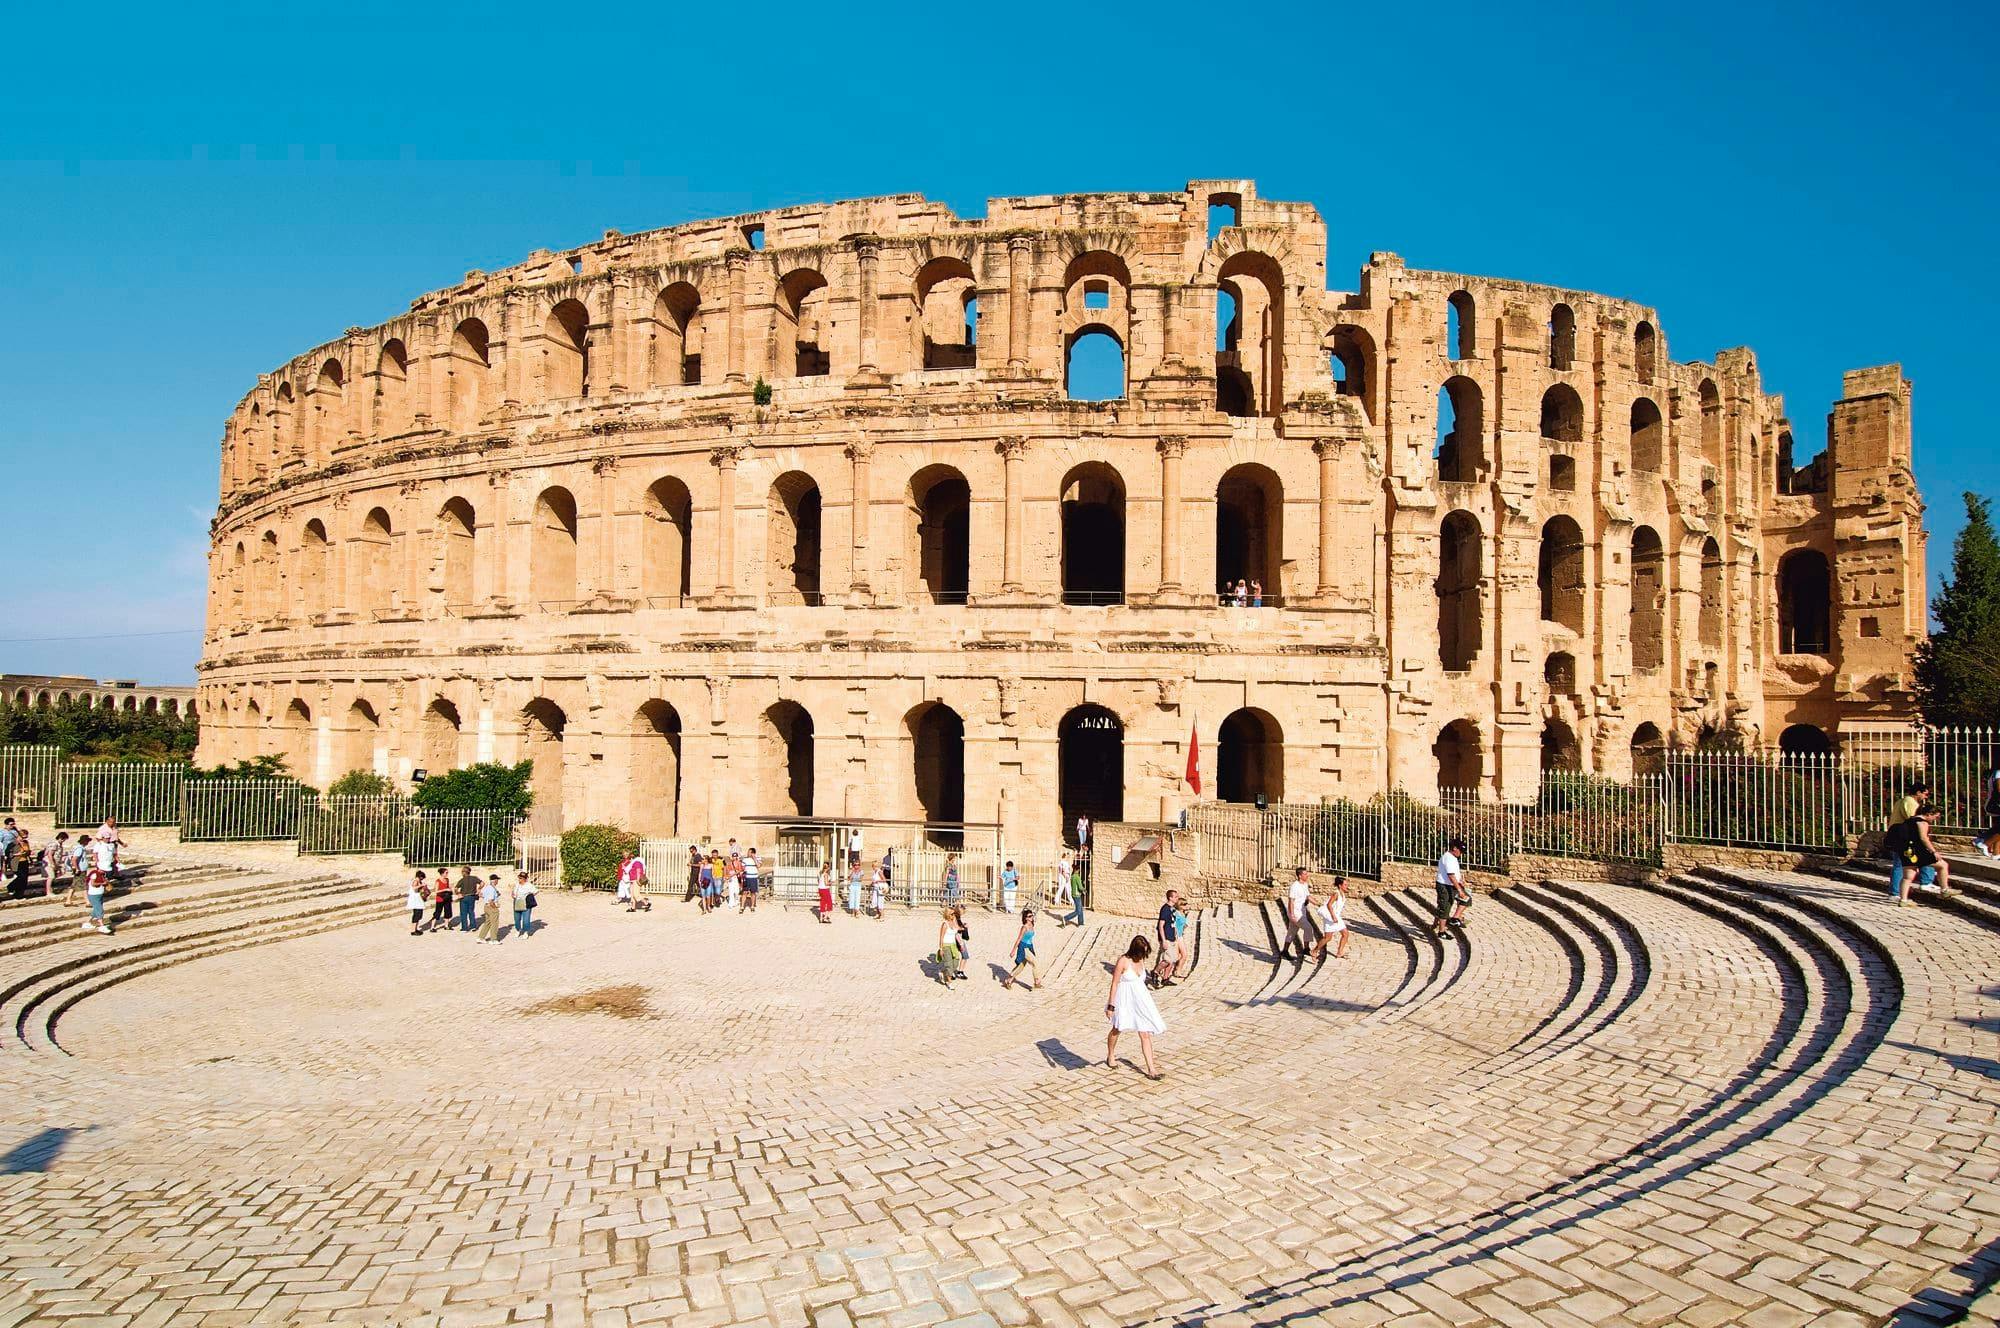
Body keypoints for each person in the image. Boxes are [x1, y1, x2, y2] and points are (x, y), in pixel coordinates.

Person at [1106, 934, 1165, 1080]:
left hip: (1140, 1000)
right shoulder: (1123, 961)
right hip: (1125, 999)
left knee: (1145, 1033)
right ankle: (1111, 1054)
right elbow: (1114, 983)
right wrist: (1111, 1005)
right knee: (1117, 1028)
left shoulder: (1142, 960)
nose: (1143, 955)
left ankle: (1152, 1070)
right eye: (1142, 952)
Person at [1886, 781, 1929, 899]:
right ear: (1918, 792)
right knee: (1925, 858)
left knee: (1898, 864)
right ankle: (1926, 881)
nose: (1925, 797)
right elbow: (1913, 820)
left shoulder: (1901, 800)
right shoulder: (1910, 802)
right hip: (1904, 837)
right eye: (1925, 794)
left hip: (1896, 835)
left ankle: (1895, 892)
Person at [1435, 837, 1470, 939]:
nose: (1461, 853)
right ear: (1454, 848)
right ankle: (1441, 932)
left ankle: (1455, 918)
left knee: (1467, 898)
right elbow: (1451, 875)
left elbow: (1455, 873)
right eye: (1460, 850)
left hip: (1452, 885)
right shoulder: (1448, 858)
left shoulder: (1453, 858)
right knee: (1445, 906)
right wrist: (1459, 890)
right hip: (1445, 886)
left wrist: (1461, 881)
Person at [1309, 877, 1351, 961]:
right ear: (1340, 885)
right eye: (1345, 885)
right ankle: (1314, 951)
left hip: (1336, 917)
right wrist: (1333, 916)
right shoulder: (1336, 894)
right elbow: (1329, 905)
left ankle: (1340, 952)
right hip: (1330, 917)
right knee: (1328, 938)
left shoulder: (1342, 894)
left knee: (1345, 934)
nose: (1347, 886)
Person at [1151, 890, 1183, 987]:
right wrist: (1163, 940)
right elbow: (1161, 925)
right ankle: (1155, 972)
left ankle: (1165, 978)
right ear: (1170, 898)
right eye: (1176, 897)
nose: (1177, 898)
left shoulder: (1172, 909)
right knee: (1167, 960)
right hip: (1167, 938)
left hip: (1172, 937)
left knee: (1173, 959)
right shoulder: (1165, 909)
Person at [1002, 908, 1039, 990]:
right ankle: (1037, 982)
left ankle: (1009, 980)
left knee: (1021, 966)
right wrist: (1013, 951)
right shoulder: (1024, 927)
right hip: (1023, 947)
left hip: (1030, 947)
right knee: (1035, 962)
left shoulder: (1032, 925)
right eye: (1029, 916)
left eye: (1032, 915)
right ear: (1026, 918)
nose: (1031, 917)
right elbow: (1019, 939)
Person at [1282, 867, 1312, 961]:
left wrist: (1319, 904)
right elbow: (1291, 901)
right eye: (1305, 874)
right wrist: (1291, 915)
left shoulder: (1305, 885)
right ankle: (1306, 948)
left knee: (1292, 932)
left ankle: (1285, 951)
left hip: (1302, 911)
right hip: (1296, 913)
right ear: (1300, 875)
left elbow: (1308, 897)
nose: (1307, 875)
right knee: (1308, 928)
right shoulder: (1294, 886)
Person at [935, 907, 963, 986]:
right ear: (947, 915)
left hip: (953, 945)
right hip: (946, 946)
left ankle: (943, 972)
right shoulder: (945, 924)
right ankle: (949, 982)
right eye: (952, 914)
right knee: (949, 964)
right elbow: (941, 937)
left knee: (955, 963)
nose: (953, 916)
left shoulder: (953, 922)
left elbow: (958, 930)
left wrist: (964, 927)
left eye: (954, 914)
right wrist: (941, 948)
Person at [42, 831, 72, 899]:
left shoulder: (59, 845)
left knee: (55, 875)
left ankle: (50, 890)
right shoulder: (54, 844)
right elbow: (50, 854)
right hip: (50, 863)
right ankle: (48, 892)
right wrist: (53, 864)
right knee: (51, 877)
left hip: (55, 862)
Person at [477, 873, 503, 943]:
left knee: (487, 922)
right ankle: (493, 939)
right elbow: (491, 900)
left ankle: (481, 937)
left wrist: (486, 897)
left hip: (486, 906)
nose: (497, 881)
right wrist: (495, 907)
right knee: (494, 923)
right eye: (497, 880)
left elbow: (480, 894)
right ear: (494, 880)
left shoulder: (486, 887)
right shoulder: (492, 889)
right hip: (491, 906)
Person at [1981, 766, 2000, 858]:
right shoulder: (1998, 773)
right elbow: (1999, 789)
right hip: (1995, 804)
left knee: (1998, 827)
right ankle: (1983, 842)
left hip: (1995, 804)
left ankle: (1996, 853)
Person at [514, 869, 537, 936]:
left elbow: (536, 891)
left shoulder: (529, 885)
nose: (519, 879)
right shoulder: (517, 884)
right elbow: (514, 891)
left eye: (521, 878)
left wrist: (529, 897)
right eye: (519, 878)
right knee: (517, 918)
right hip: (517, 901)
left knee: (526, 918)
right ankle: (518, 929)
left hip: (525, 902)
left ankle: (526, 932)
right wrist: (513, 894)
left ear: (525, 879)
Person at [431, 869, 454, 934]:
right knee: (437, 912)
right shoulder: (438, 881)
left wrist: (450, 889)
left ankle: (446, 926)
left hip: (447, 898)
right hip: (440, 898)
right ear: (442, 873)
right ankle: (432, 927)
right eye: (446, 872)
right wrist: (445, 889)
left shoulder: (447, 880)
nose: (447, 874)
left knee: (447, 911)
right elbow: (436, 891)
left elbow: (448, 887)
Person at [456, 866, 479, 932]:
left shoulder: (462, 880)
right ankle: (473, 926)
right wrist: (479, 889)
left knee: (463, 913)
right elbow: (482, 883)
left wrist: (458, 893)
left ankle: (464, 928)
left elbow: (456, 888)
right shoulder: (474, 878)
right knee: (471, 911)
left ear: (464, 872)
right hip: (472, 896)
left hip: (464, 897)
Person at [741, 847, 761, 913]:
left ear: (752, 853)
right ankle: (742, 907)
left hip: (754, 878)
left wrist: (754, 858)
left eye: (749, 852)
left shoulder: (758, 858)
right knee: (744, 892)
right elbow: (743, 868)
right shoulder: (745, 859)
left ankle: (752, 906)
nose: (747, 853)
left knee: (753, 892)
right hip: (746, 877)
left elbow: (758, 866)